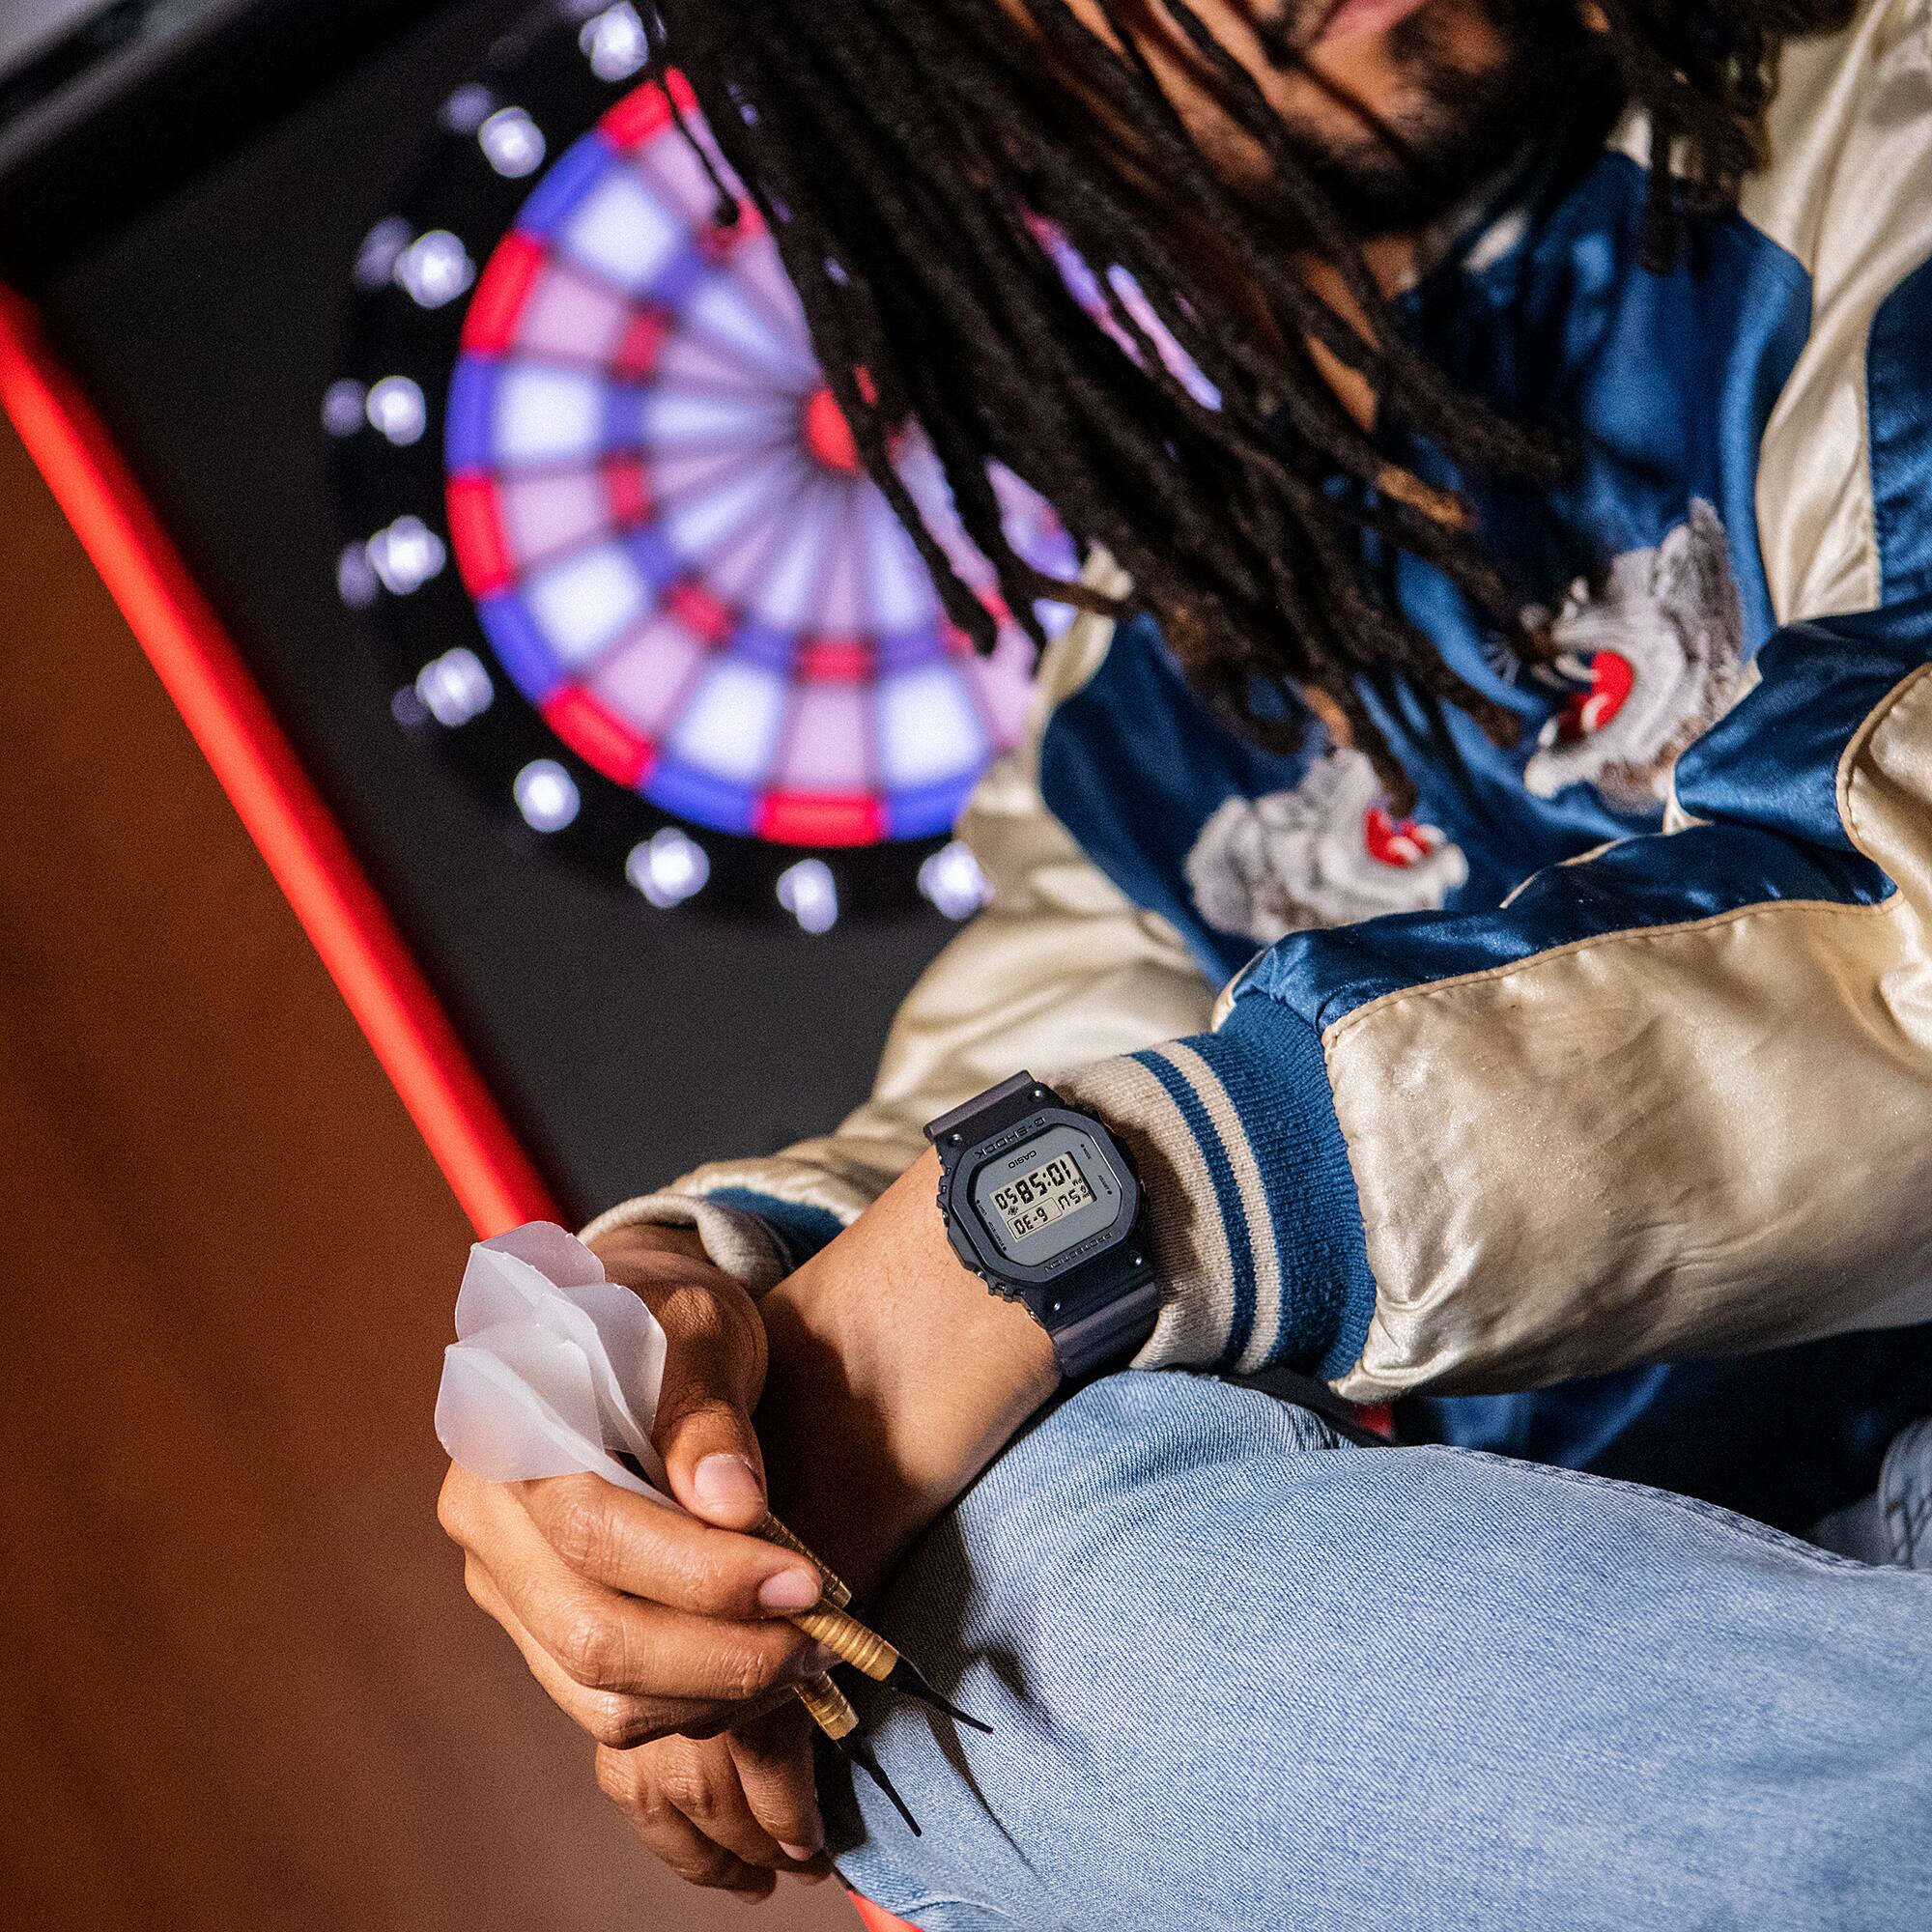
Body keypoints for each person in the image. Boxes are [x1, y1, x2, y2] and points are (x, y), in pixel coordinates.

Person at [437, 2, 1932, 1923]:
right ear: (971, 83)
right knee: (936, 1596)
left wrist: (1115, 1207)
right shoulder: (1135, 691)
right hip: (1617, 1672)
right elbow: (966, 1110)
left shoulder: (1877, 114)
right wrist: (678, 1349)